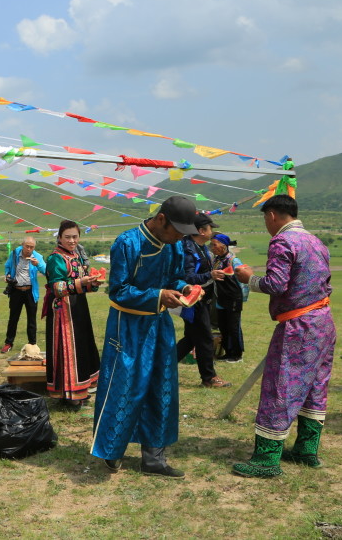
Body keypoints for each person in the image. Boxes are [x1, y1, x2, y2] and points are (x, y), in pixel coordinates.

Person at [90, 196, 200, 477]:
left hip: (159, 324)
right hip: (126, 325)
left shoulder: (173, 246)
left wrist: (183, 288)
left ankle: (154, 458)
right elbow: (118, 290)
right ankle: (112, 450)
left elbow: (173, 278)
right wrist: (158, 295)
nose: (179, 238)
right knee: (124, 386)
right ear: (161, 219)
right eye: (177, 230)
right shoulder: (127, 243)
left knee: (161, 388)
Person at [232, 195, 336, 477]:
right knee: (315, 385)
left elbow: (276, 284)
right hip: (322, 322)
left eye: (265, 218)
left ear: (273, 215)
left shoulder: (282, 241)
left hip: (298, 325)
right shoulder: (316, 241)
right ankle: (306, 450)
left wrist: (249, 278)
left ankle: (266, 461)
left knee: (281, 385)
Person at [42, 220, 102, 407]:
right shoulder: (55, 258)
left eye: (75, 236)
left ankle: (80, 390)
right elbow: (57, 287)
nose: (72, 240)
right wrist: (81, 283)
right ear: (59, 237)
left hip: (78, 306)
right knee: (68, 350)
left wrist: (93, 283)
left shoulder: (76, 255)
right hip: (62, 310)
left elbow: (82, 284)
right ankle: (68, 394)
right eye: (67, 237)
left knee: (81, 347)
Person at [176, 212, 230, 388]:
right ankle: (209, 378)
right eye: (209, 229)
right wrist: (210, 274)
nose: (212, 232)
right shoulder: (188, 249)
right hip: (195, 300)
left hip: (202, 299)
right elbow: (188, 277)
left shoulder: (201, 247)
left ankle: (161, 366)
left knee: (191, 339)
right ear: (200, 231)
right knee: (205, 338)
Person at [1, 237, 46, 354]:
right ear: (22, 245)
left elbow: (46, 270)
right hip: (16, 290)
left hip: (30, 291)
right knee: (13, 318)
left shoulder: (37, 256)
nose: (29, 249)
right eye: (27, 246)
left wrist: (37, 265)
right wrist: (7, 275)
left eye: (32, 247)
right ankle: (8, 343)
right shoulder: (15, 253)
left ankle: (32, 344)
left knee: (31, 319)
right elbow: (7, 266)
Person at [211, 233, 247, 363]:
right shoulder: (216, 260)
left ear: (223, 245)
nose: (212, 247)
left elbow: (243, 281)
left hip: (233, 299)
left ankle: (237, 354)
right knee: (223, 326)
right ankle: (227, 352)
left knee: (233, 326)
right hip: (220, 298)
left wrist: (242, 298)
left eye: (214, 244)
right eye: (211, 245)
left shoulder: (234, 261)